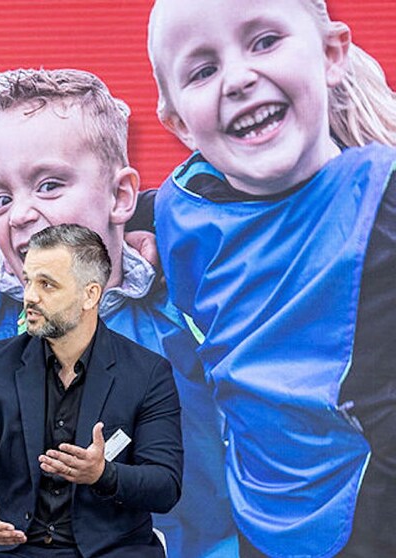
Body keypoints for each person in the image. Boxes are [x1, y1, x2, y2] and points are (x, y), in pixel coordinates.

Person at [147, 0, 396, 555]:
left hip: (372, 518)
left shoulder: (382, 200)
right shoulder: (178, 205)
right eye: (203, 69)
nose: (238, 78)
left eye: (264, 42)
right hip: (259, 521)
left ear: (331, 54)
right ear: (179, 122)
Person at [0, 68, 235, 557]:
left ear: (120, 196)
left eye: (49, 185)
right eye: (1, 198)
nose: (20, 214)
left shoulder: (185, 306)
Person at [0, 223, 183, 558]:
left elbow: (165, 486)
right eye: (28, 281)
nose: (30, 297)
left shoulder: (148, 373)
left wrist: (103, 474)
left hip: (109, 549)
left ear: (90, 294)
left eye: (46, 284)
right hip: (8, 548)